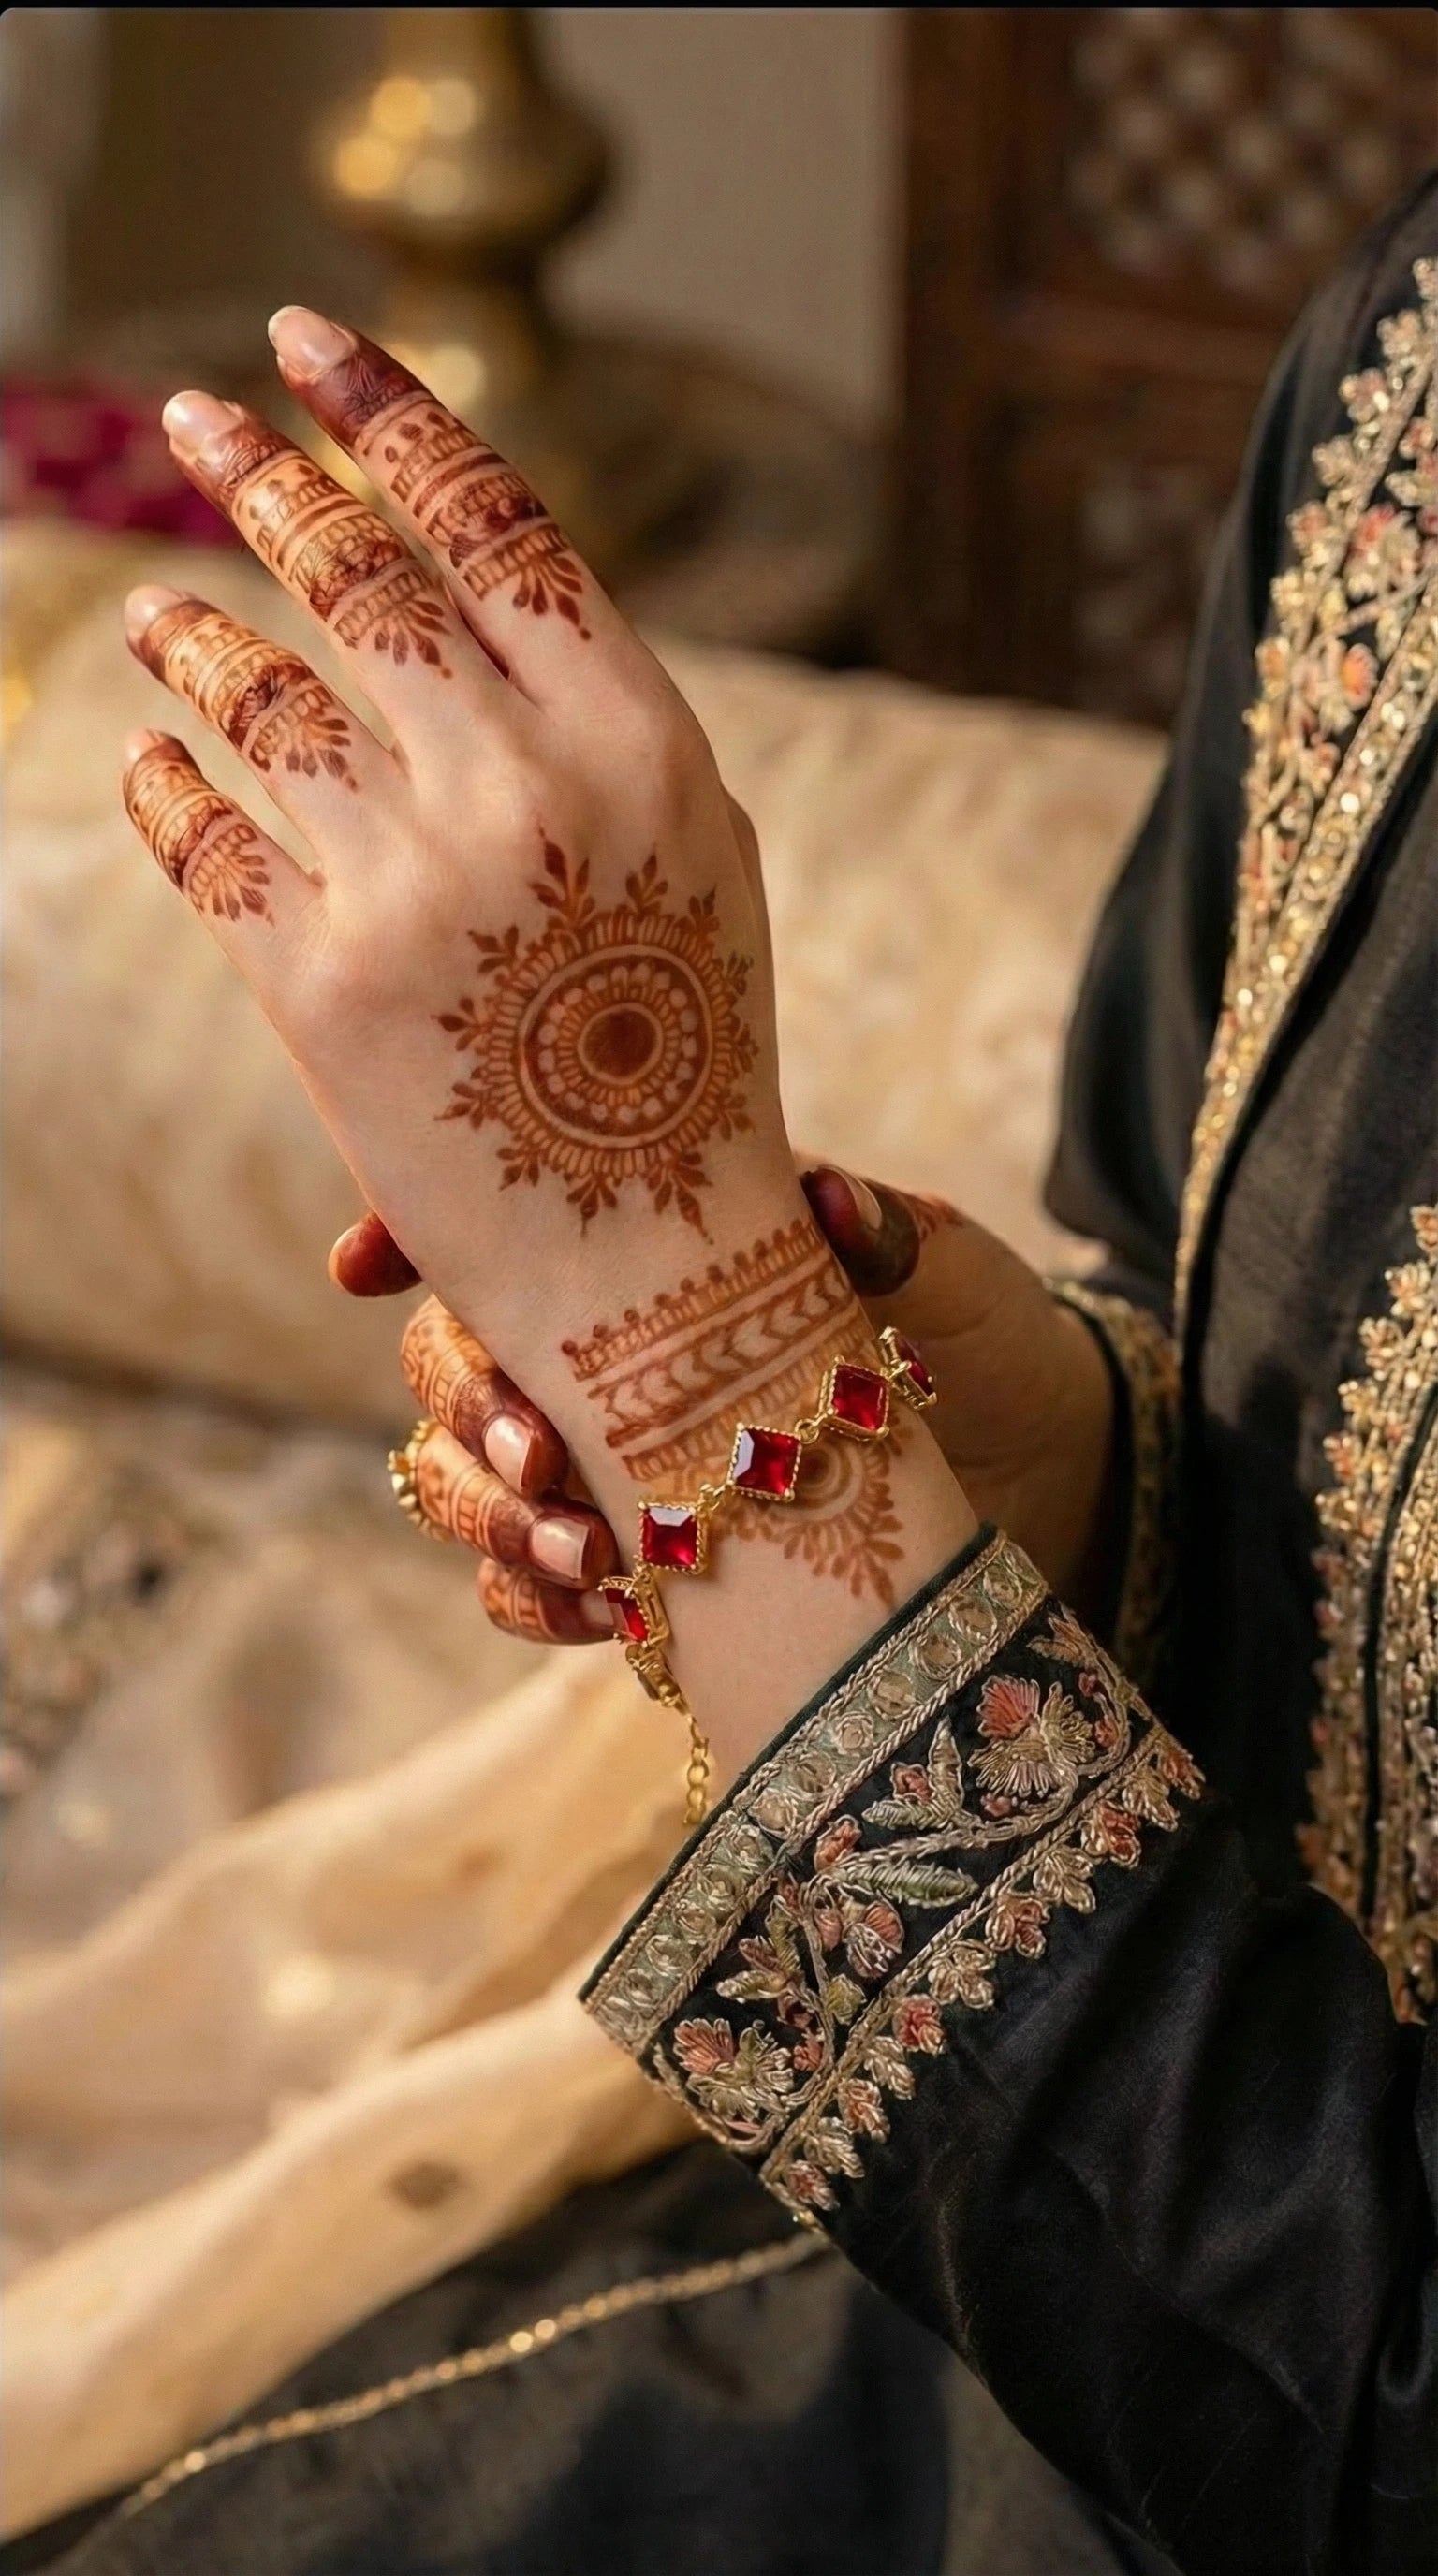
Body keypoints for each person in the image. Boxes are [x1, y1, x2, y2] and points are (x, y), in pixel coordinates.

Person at [26, 176, 1434, 2574]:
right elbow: (1207, 1293)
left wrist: (699, 1355)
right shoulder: (1407, 356)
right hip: (963, 2211)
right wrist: (1004, 1439)